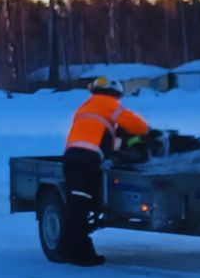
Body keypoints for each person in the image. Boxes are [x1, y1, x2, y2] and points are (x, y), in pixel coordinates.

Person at [62, 76, 152, 266]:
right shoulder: (110, 105)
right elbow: (140, 127)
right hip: (87, 160)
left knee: (75, 205)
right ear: (115, 93)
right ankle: (82, 256)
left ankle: (66, 251)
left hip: (72, 157)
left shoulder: (85, 106)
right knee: (80, 208)